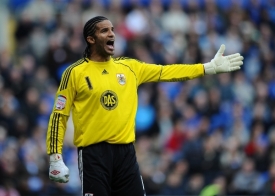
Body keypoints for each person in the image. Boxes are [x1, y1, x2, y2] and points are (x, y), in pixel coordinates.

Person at [46, 15, 244, 196]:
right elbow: (58, 115)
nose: (112, 34)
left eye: (113, 29)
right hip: (93, 155)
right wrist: (55, 156)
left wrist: (206, 68)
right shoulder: (74, 73)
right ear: (90, 39)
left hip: (126, 154)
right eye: (104, 30)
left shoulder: (130, 67)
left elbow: (167, 72)